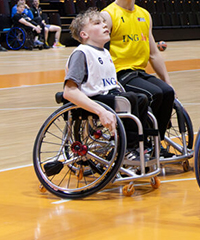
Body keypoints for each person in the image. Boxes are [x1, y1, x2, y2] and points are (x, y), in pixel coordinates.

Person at [101, 0, 174, 153]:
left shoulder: (144, 15)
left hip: (139, 73)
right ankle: (138, 144)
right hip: (119, 74)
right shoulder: (108, 15)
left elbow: (153, 53)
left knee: (167, 92)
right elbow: (99, 52)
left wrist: (167, 80)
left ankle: (156, 144)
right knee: (154, 94)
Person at [63, 8, 150, 159]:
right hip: (93, 99)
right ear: (84, 34)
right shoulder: (81, 53)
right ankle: (127, 149)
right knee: (130, 99)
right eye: (97, 23)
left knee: (141, 98)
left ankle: (141, 145)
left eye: (104, 22)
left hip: (108, 96)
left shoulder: (104, 52)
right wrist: (101, 112)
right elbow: (69, 92)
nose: (104, 25)